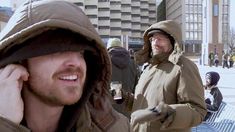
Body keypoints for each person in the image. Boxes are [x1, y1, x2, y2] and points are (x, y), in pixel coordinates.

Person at [0, 0, 129, 131]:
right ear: (20, 60)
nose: (76, 63)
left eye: (81, 53)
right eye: (57, 50)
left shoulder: (115, 127)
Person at [118, 20, 207, 132]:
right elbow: (144, 106)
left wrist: (170, 113)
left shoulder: (183, 67)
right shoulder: (149, 68)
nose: (155, 43)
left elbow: (198, 110)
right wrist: (124, 98)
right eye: (153, 39)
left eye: (160, 38)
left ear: (172, 41)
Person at [107, 38, 139, 118]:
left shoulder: (105, 61)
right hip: (128, 108)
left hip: (109, 110)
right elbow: (137, 87)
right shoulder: (133, 63)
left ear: (109, 48)